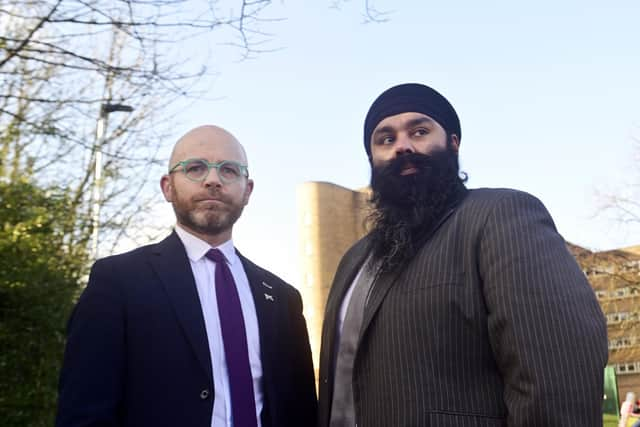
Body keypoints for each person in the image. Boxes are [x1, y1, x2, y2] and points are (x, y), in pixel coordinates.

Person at [318, 83, 608, 427]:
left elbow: (560, 379)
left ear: (453, 143)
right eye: (386, 139)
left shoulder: (501, 216)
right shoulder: (354, 260)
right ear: (372, 160)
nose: (402, 146)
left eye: (420, 131)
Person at [56, 125, 317, 427]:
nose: (213, 180)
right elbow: (84, 410)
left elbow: (300, 410)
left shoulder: (283, 298)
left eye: (229, 170)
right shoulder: (117, 282)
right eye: (195, 168)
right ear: (168, 186)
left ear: (247, 190)